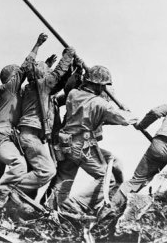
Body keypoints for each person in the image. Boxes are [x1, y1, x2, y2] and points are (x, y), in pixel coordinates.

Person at [46, 65, 138, 212]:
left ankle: (51, 209)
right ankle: (75, 205)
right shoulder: (101, 104)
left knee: (64, 179)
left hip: (66, 143)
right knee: (107, 179)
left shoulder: (73, 94)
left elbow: (91, 112)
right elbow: (124, 119)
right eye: (103, 86)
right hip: (83, 145)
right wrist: (127, 112)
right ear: (99, 85)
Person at [0, 33, 48, 209]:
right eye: (17, 75)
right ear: (11, 78)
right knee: (19, 164)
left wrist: (46, 66)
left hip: (3, 136)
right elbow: (25, 68)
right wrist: (37, 45)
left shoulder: (16, 94)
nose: (21, 77)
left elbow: (33, 77)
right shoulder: (9, 89)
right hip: (0, 136)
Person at [12, 46, 76, 200]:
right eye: (47, 72)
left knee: (38, 171)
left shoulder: (36, 91)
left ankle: (20, 204)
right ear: (42, 76)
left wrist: (74, 71)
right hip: (32, 137)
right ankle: (10, 189)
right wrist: (68, 55)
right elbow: (57, 75)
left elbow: (59, 85)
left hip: (33, 137)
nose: (49, 74)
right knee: (47, 171)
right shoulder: (42, 86)